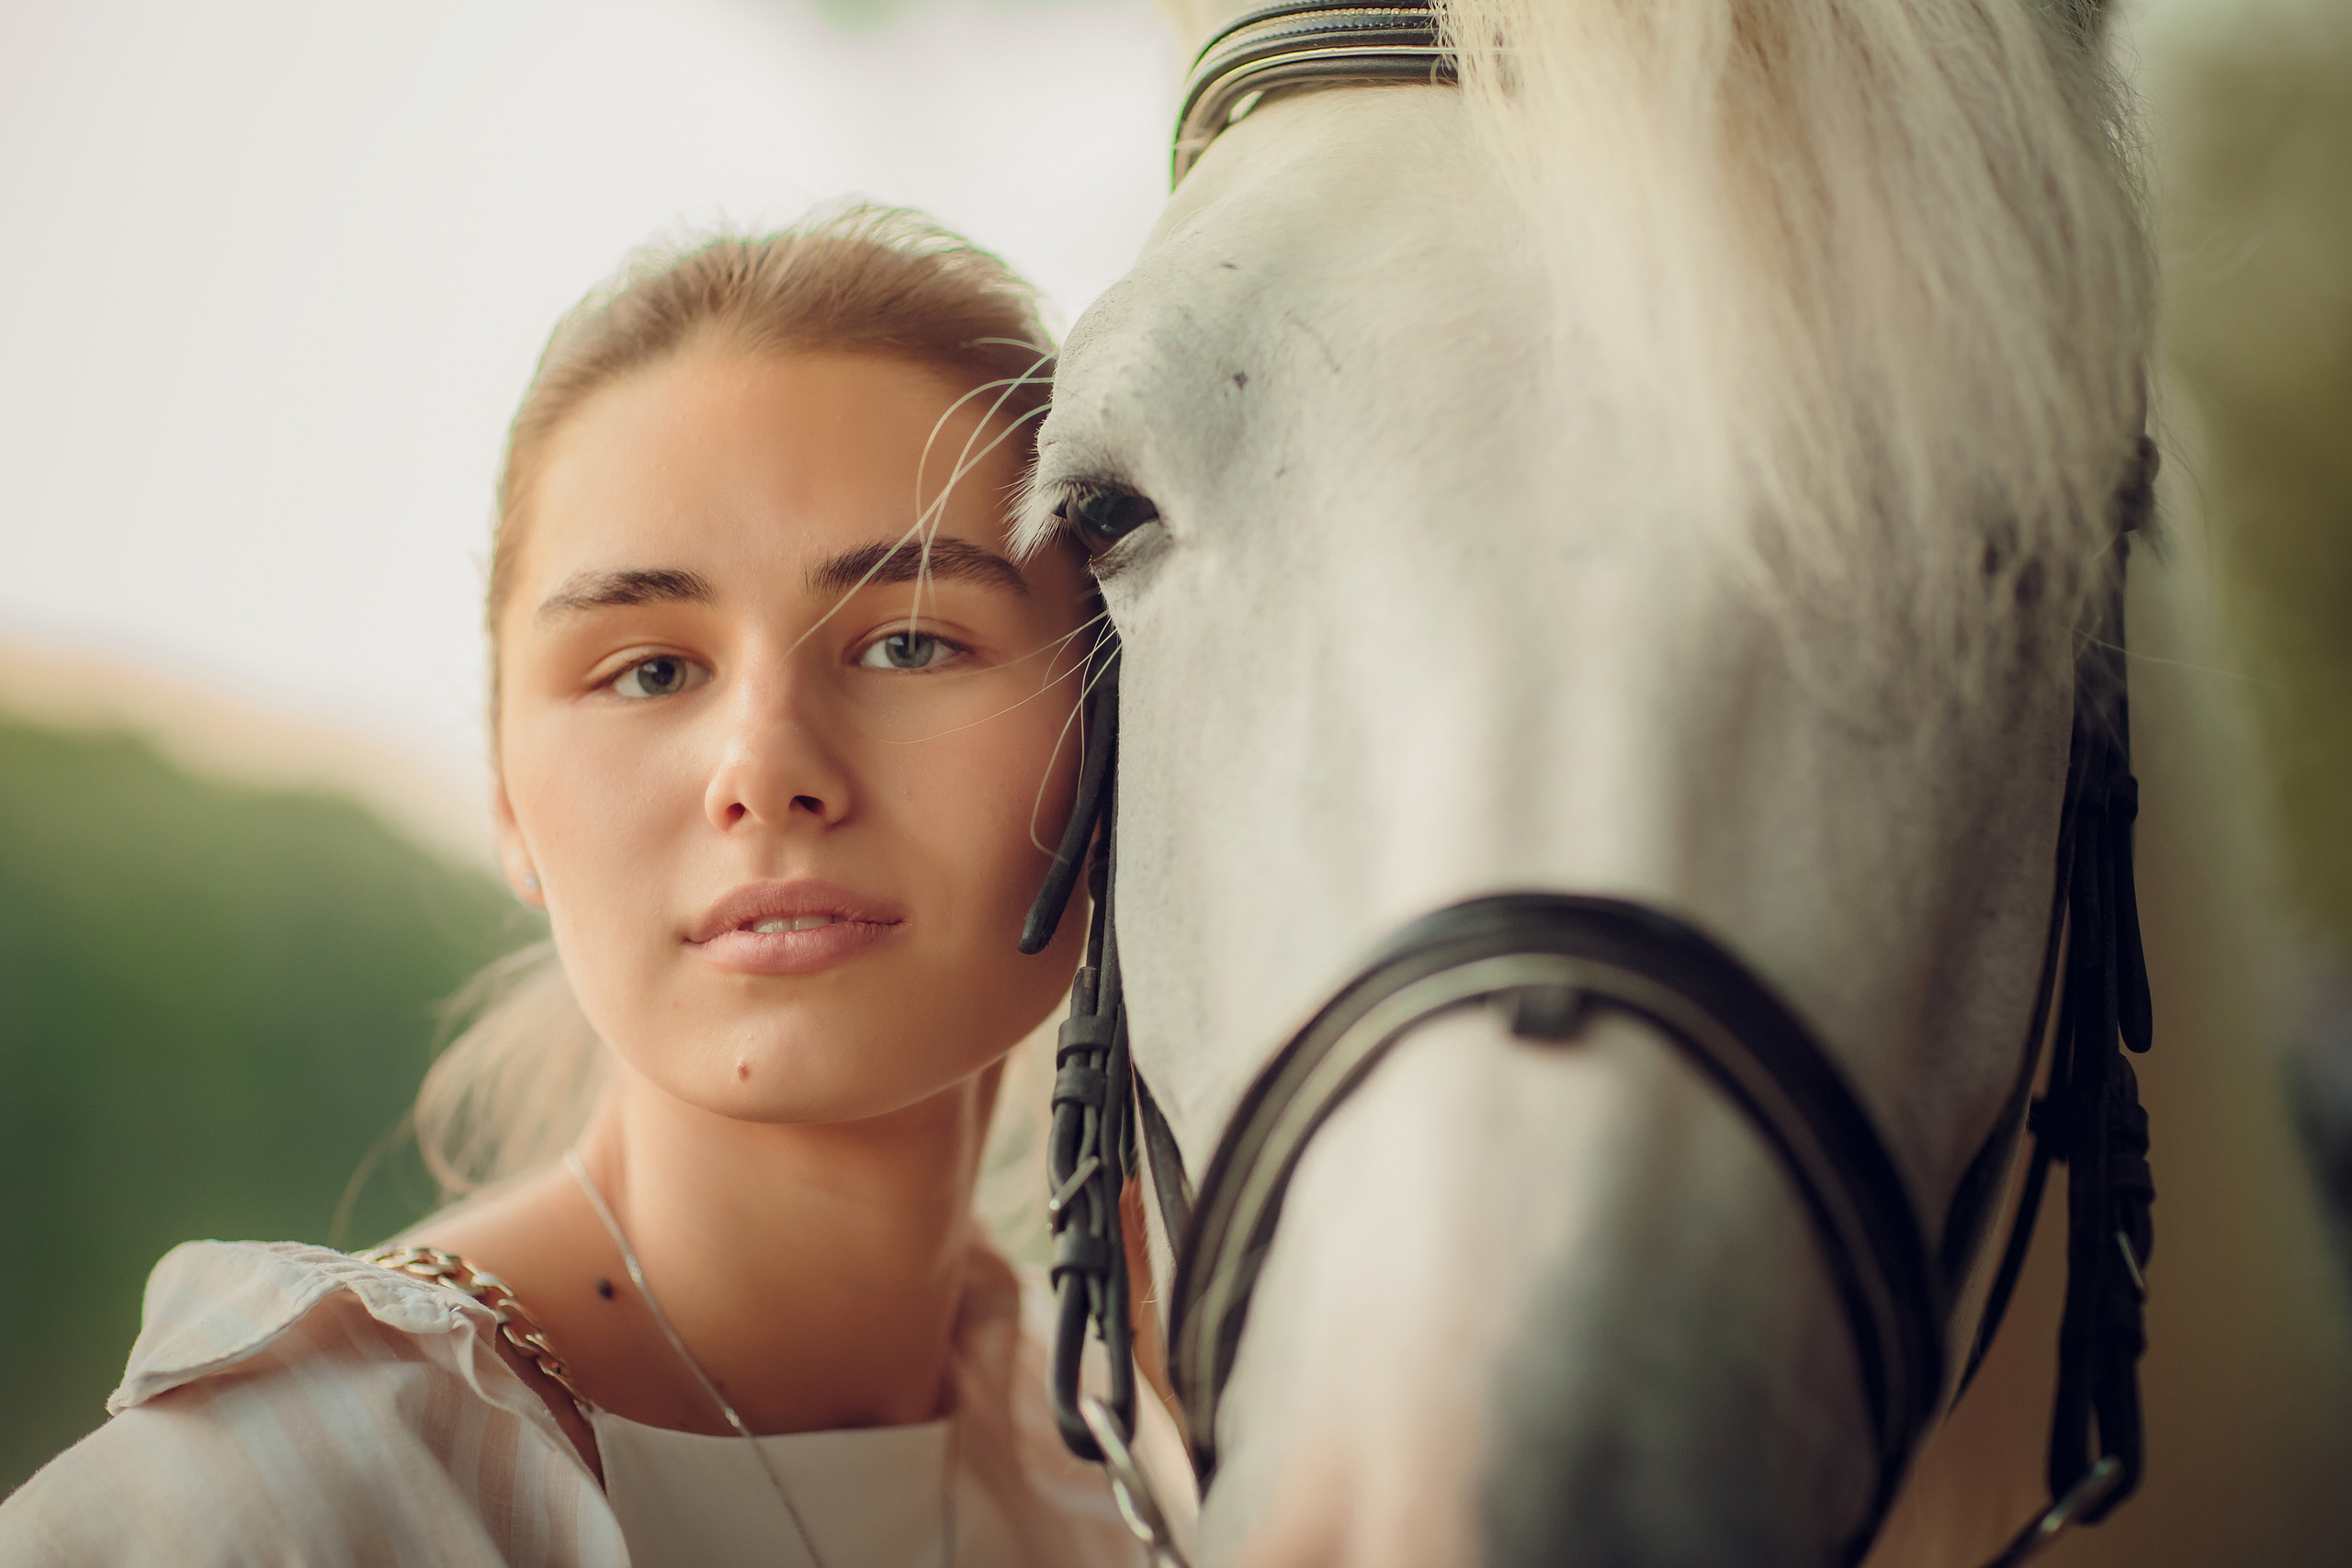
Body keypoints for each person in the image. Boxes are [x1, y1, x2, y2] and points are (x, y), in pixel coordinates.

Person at [0, 207, 1168, 1568]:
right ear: (509, 796)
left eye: (910, 644)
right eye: (651, 671)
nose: (765, 771)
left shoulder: (1147, 1470)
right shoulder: (288, 1505)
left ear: (1115, 734)